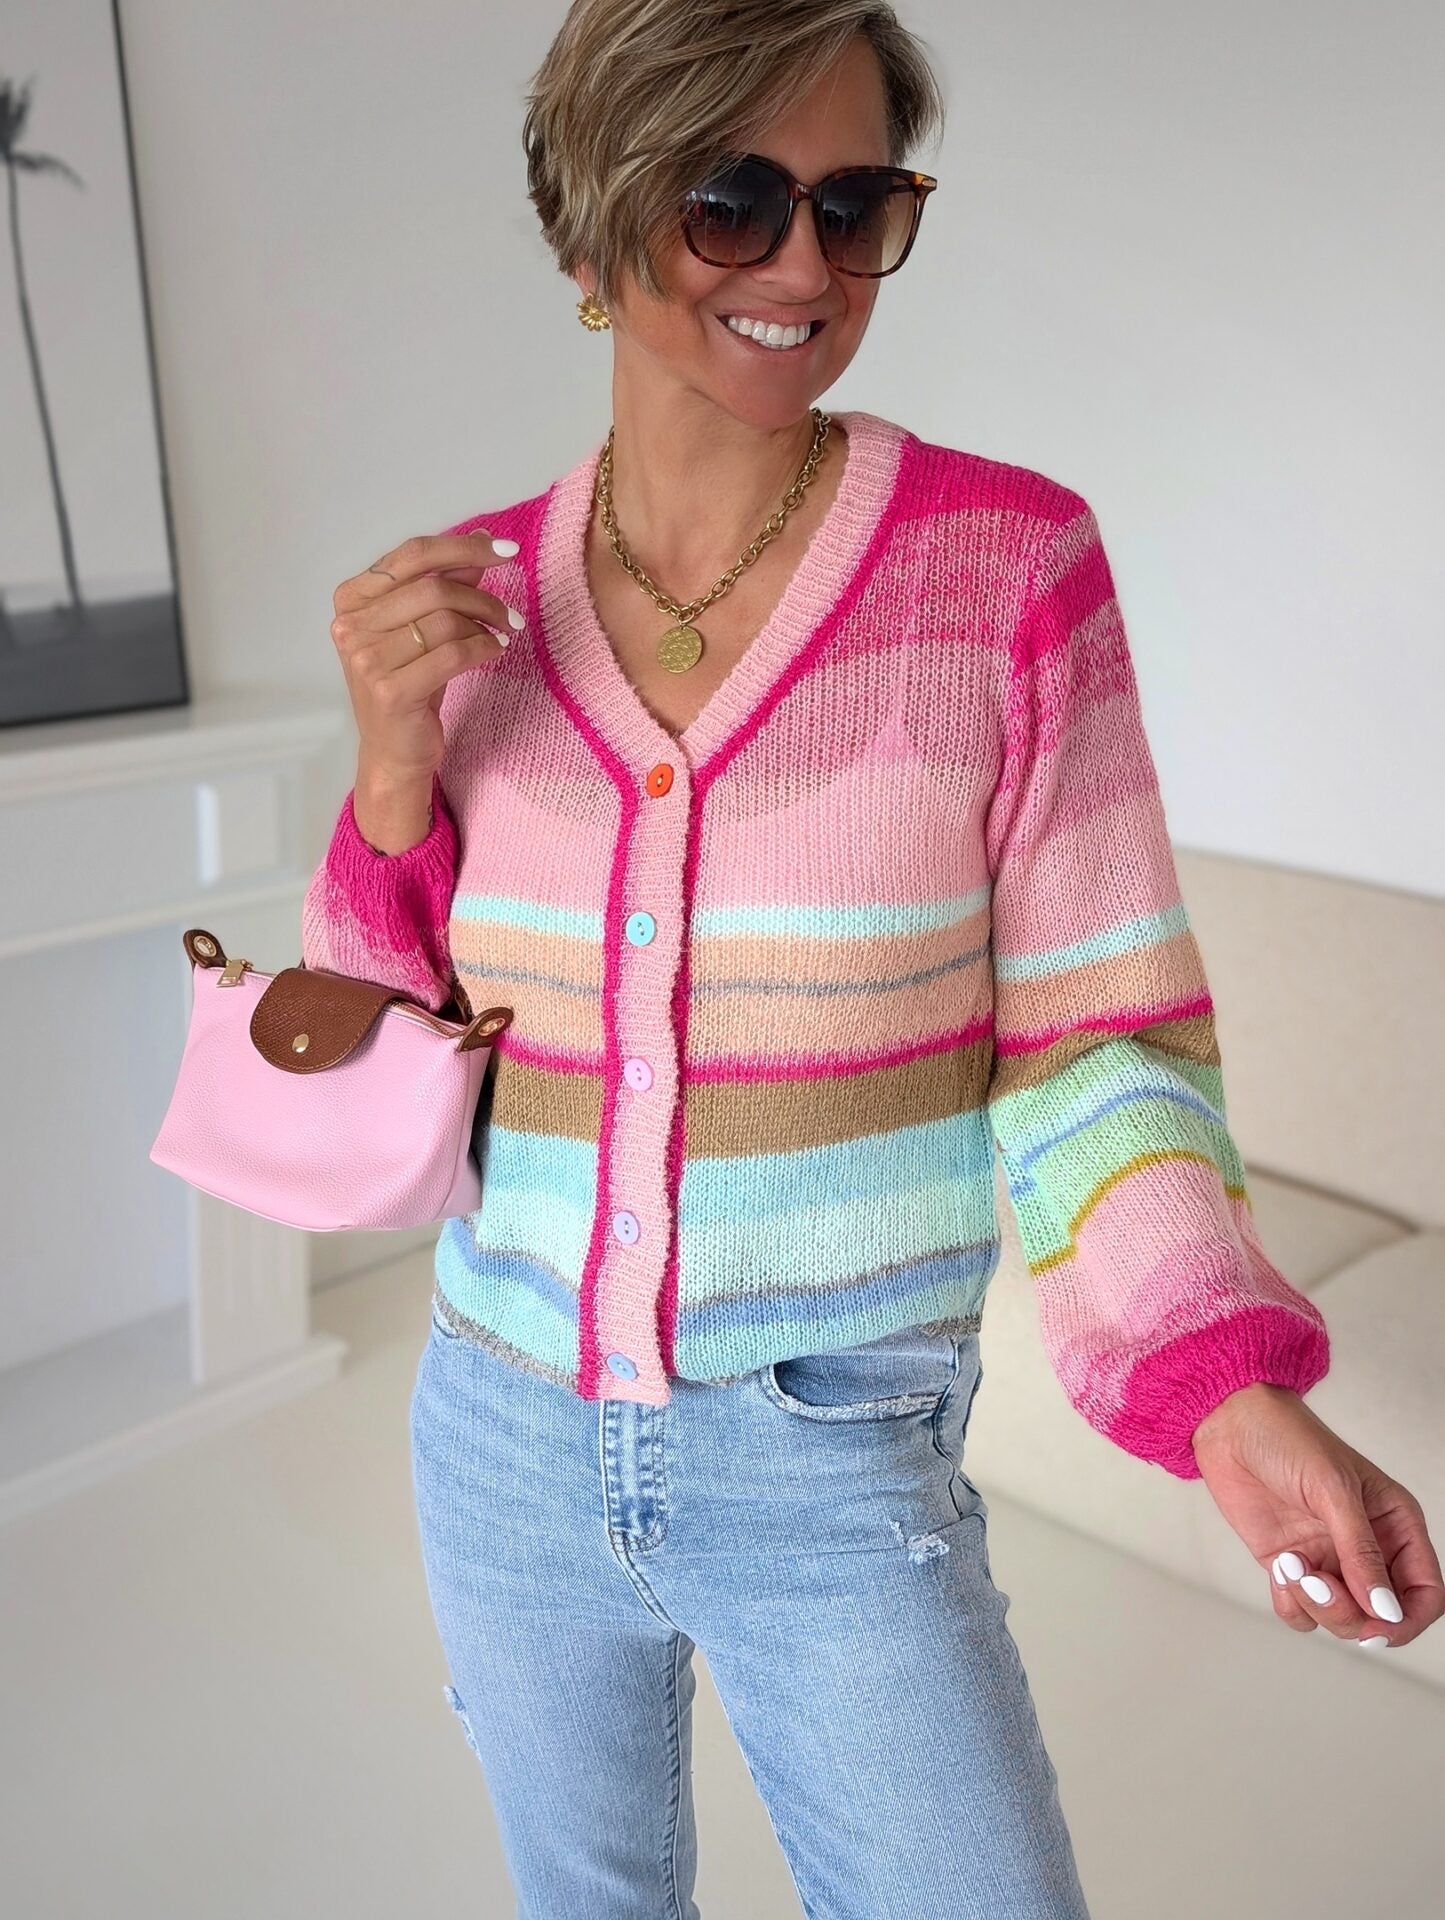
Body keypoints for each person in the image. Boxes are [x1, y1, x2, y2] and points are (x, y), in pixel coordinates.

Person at [301, 3, 1443, 1914]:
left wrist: (1222, 1383)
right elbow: (374, 1051)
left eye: (853, 205)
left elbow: (1093, 1043)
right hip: (497, 1424)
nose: (805, 267)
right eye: (730, 202)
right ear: (591, 223)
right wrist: (390, 776)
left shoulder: (1004, 571)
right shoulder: (467, 602)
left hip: (831, 1453)